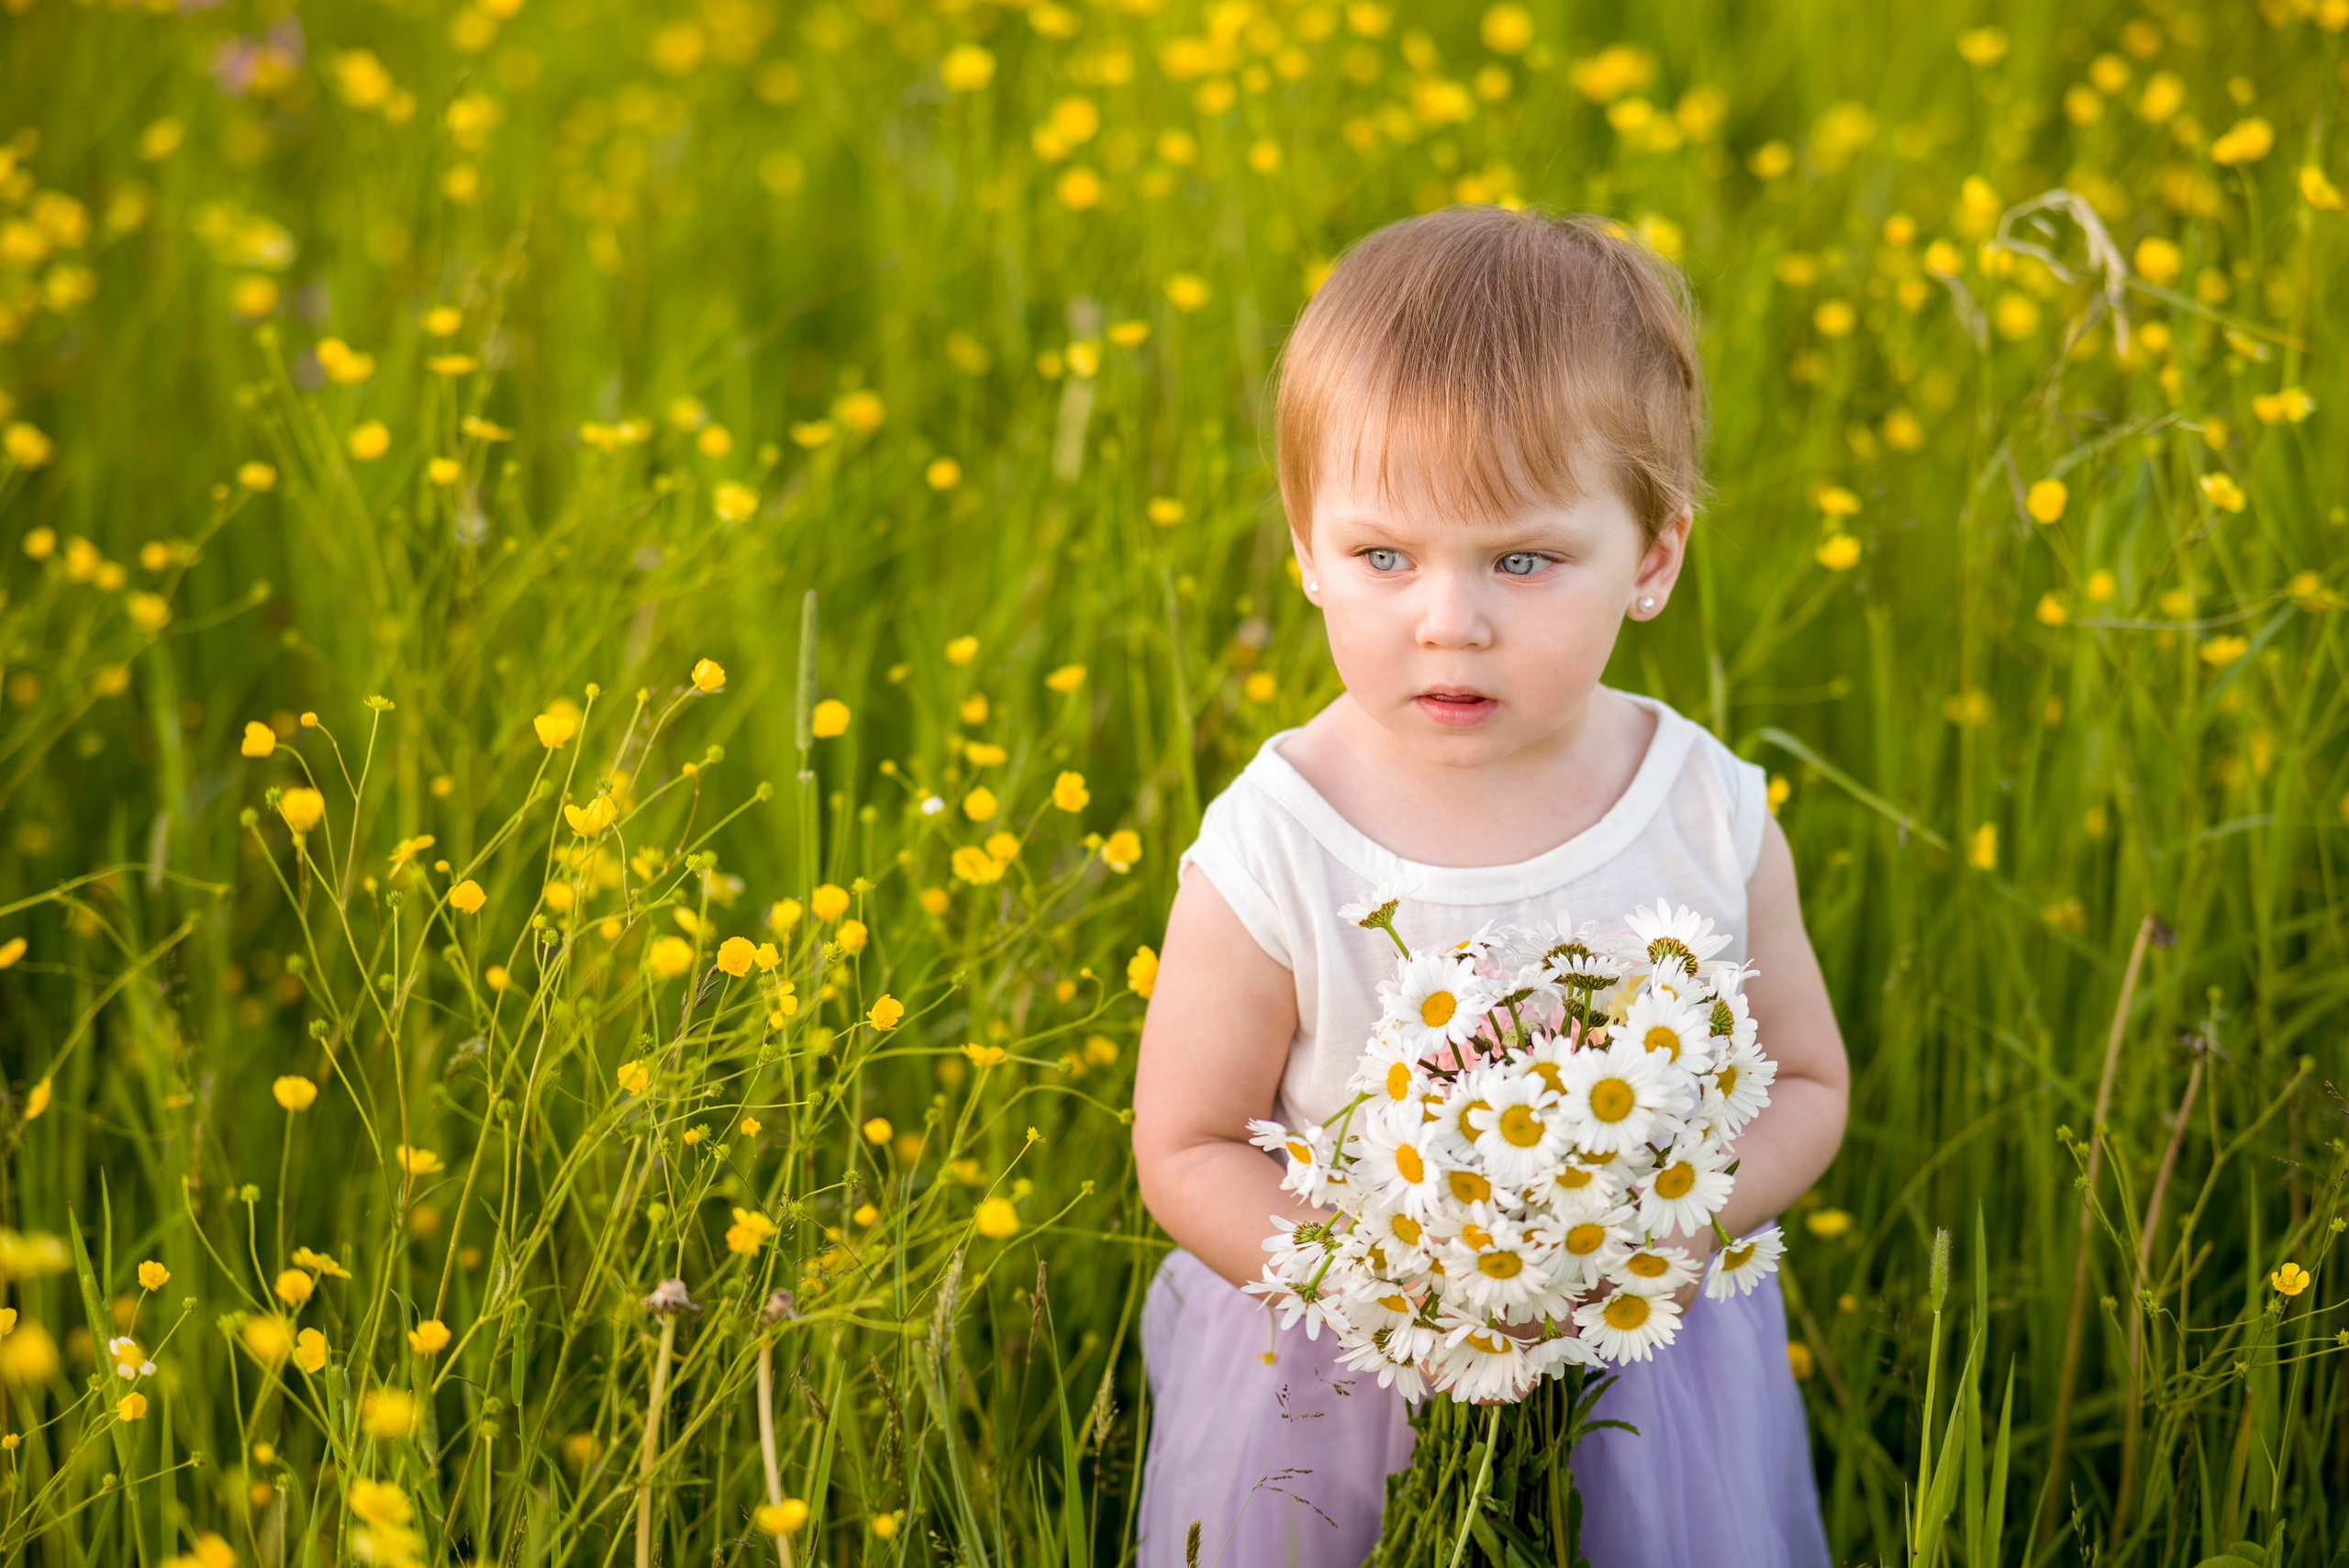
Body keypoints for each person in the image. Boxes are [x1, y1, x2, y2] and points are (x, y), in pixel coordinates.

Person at [1129, 206, 1846, 1568]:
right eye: (1382, 555)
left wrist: (1680, 1235)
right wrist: (1395, 1294)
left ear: (1652, 557)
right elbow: (1187, 1145)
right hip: (1339, 1372)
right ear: (1302, 543)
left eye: (1522, 559)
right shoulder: (1281, 839)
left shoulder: (1702, 812)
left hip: (1644, 1358)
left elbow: (1808, 1081)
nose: (1447, 616)